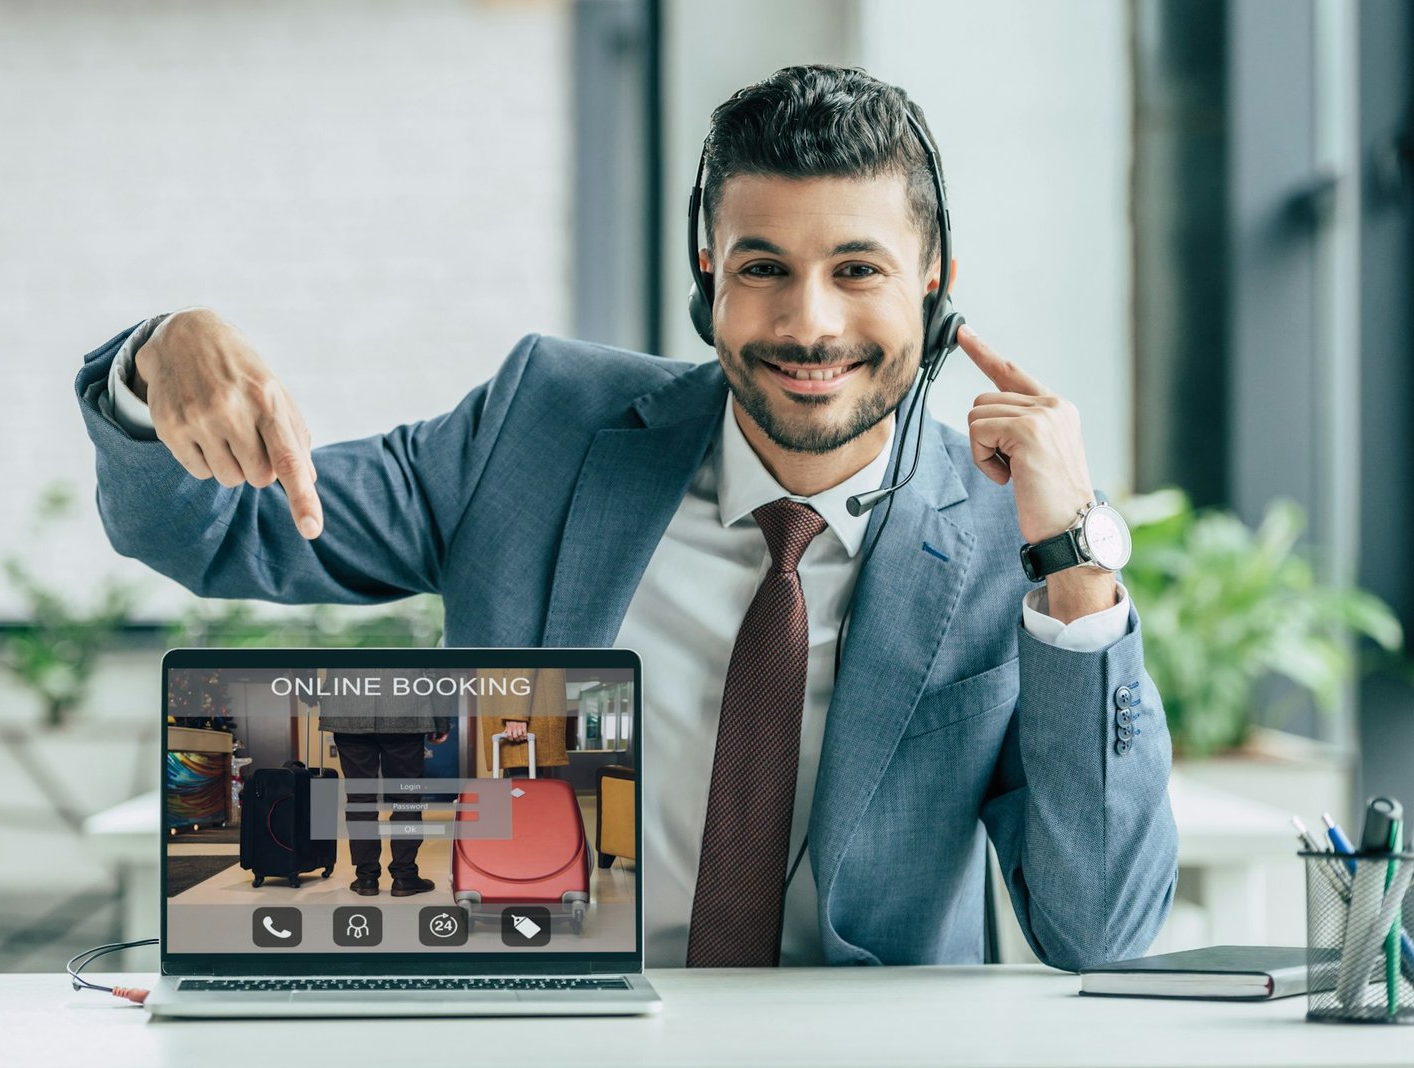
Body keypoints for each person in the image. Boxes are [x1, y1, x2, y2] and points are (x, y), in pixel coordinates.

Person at [75, 65, 1177, 970]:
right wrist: (154, 359)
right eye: (763, 267)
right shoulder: (543, 425)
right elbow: (208, 527)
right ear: (708, 276)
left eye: (857, 270)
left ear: (933, 283)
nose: (809, 323)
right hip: (549, 1026)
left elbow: (1101, 932)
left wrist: (1074, 559)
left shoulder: (1006, 540)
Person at [309, 669, 454, 897]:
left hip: (347, 707)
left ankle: (366, 878)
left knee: (360, 798)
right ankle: (404, 877)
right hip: (405, 708)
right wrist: (441, 719)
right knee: (406, 798)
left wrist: (307, 690)